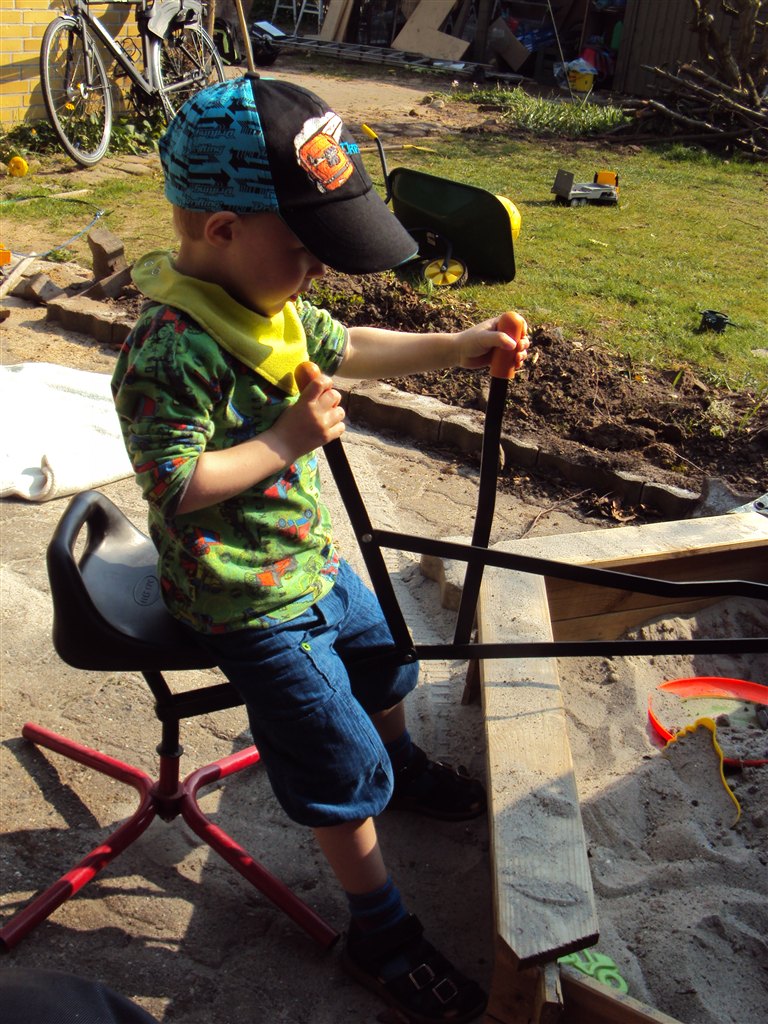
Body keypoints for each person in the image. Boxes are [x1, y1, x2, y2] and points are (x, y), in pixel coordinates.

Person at [112, 73, 529, 1024]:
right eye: (303, 250)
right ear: (222, 230)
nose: (315, 273)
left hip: (307, 560)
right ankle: (380, 932)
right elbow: (175, 485)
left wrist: (458, 345)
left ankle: (403, 765)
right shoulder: (172, 346)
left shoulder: (266, 301)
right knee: (340, 767)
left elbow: (348, 345)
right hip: (243, 599)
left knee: (385, 659)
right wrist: (288, 440)